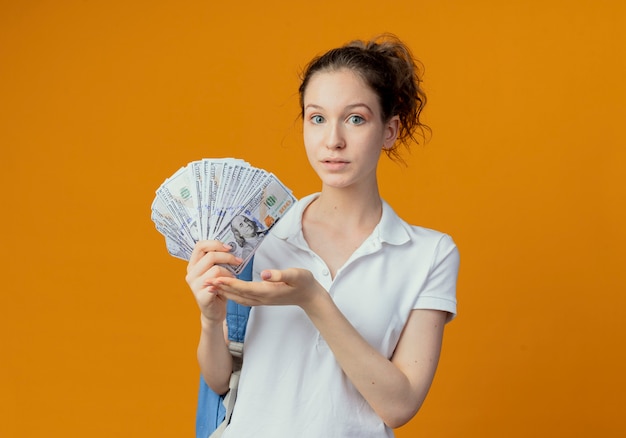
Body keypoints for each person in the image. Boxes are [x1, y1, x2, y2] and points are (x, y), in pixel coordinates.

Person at [185, 33, 460, 437]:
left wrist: (314, 300)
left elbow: (399, 405)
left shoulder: (428, 253)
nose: (333, 140)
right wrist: (211, 320)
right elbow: (221, 381)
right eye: (317, 118)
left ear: (390, 130)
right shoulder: (259, 232)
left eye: (355, 118)